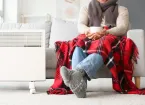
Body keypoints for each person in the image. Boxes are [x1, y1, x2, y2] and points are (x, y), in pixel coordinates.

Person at [60, 0, 129, 98]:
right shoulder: (86, 8)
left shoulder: (122, 10)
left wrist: (105, 32)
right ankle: (80, 87)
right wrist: (88, 31)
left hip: (109, 37)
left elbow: (122, 28)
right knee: (78, 46)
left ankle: (75, 74)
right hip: (90, 35)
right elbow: (80, 25)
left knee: (102, 46)